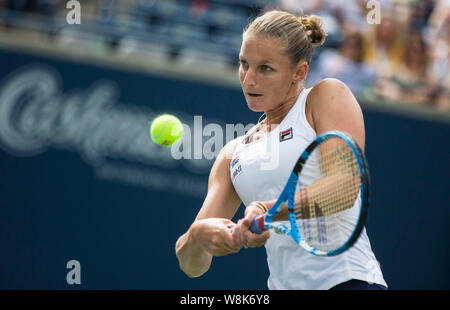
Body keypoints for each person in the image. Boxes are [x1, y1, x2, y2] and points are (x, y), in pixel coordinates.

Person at [175, 9, 387, 290]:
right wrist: (199, 235)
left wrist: (269, 210)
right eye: (244, 63)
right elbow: (194, 265)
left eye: (265, 68)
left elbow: (345, 188)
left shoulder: (325, 97)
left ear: (299, 72)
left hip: (348, 282)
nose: (248, 79)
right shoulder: (232, 153)